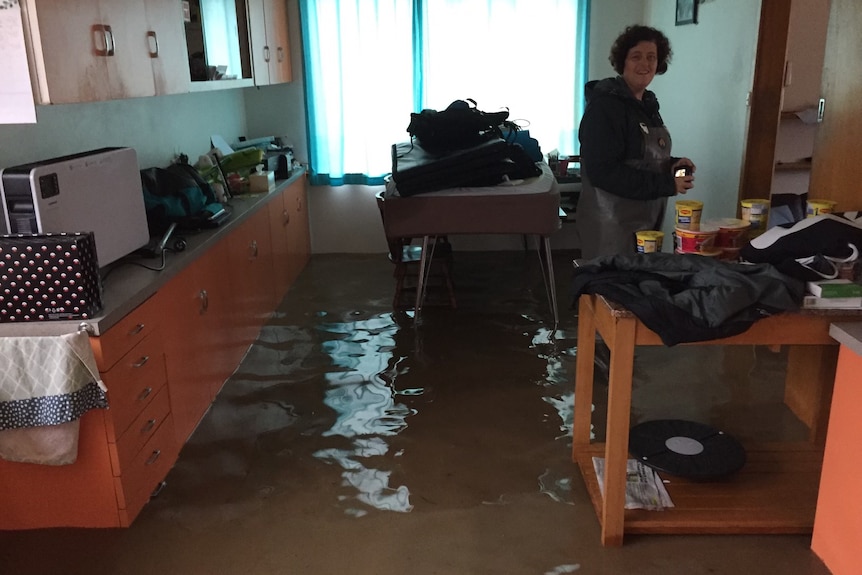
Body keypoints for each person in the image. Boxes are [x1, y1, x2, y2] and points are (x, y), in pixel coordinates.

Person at [575, 25, 696, 259]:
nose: (645, 64)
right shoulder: (605, 108)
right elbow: (603, 171)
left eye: (652, 57)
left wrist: (670, 163)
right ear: (623, 62)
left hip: (645, 223)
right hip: (611, 226)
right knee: (609, 291)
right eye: (636, 56)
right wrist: (667, 185)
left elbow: (638, 156)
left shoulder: (647, 105)